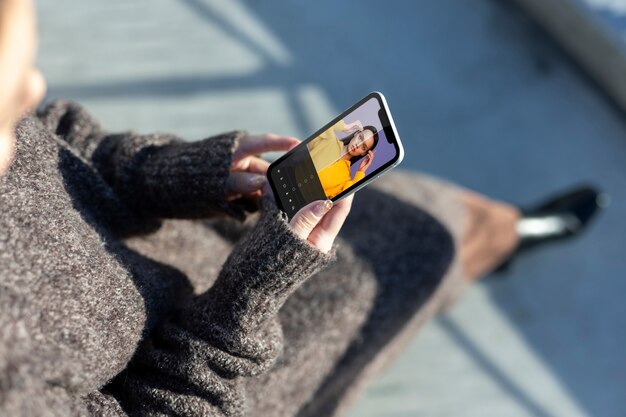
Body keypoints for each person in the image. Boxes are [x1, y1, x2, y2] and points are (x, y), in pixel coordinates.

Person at [0, 1, 604, 416]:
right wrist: (251, 295)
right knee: (425, 238)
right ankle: (503, 240)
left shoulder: (20, 102)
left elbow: (62, 137)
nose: (35, 89)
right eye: (12, 101)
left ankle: (506, 233)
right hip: (226, 357)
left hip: (190, 231)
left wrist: (175, 172)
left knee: (415, 211)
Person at [307, 119, 378, 198]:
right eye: (360, 138)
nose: (358, 144)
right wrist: (344, 127)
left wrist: (360, 172)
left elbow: (344, 197)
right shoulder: (329, 140)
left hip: (299, 203)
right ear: (356, 133)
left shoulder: (345, 179)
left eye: (364, 147)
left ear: (363, 153)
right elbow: (315, 124)